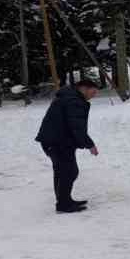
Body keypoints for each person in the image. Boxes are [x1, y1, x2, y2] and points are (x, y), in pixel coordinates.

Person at [35, 80, 99, 213]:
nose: (93, 96)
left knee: (61, 171)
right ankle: (63, 204)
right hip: (58, 141)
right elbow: (76, 127)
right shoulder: (73, 101)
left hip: (55, 140)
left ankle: (64, 200)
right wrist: (90, 145)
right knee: (69, 171)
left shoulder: (68, 96)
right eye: (93, 92)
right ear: (84, 88)